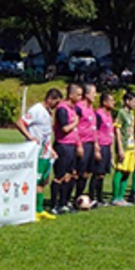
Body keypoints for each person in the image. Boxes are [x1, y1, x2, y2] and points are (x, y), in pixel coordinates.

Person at [17, 88, 61, 221]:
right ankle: (31, 210)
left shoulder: (48, 113)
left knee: (43, 181)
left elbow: (46, 134)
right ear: (50, 99)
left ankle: (40, 209)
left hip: (46, 153)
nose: (56, 106)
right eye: (56, 102)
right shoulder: (36, 109)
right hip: (36, 152)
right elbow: (20, 123)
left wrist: (51, 149)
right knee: (35, 181)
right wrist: (30, 137)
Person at [49, 82, 82, 214]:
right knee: (59, 176)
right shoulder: (62, 109)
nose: (80, 97)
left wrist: (78, 144)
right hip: (62, 145)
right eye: (78, 95)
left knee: (70, 175)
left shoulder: (73, 109)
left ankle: (64, 202)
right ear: (71, 94)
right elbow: (64, 129)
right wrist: (75, 122)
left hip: (71, 146)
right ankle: (53, 204)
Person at [74, 82, 98, 204]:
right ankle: (68, 199)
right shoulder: (78, 107)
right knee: (77, 172)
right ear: (87, 94)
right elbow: (75, 126)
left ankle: (79, 197)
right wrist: (78, 144)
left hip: (90, 144)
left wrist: (96, 145)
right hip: (82, 143)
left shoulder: (91, 108)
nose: (95, 96)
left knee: (86, 173)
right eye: (94, 93)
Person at [112, 91, 135, 206]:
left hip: (131, 146)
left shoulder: (131, 114)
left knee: (127, 172)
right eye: (133, 101)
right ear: (127, 101)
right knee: (120, 171)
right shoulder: (121, 113)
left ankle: (121, 197)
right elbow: (117, 130)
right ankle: (115, 197)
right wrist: (120, 147)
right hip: (124, 146)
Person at [90, 91, 115, 207]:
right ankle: (91, 197)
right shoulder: (98, 115)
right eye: (111, 100)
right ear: (105, 102)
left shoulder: (109, 115)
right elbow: (94, 131)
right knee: (96, 173)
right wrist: (96, 147)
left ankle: (99, 198)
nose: (113, 102)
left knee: (102, 174)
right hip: (100, 146)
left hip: (107, 146)